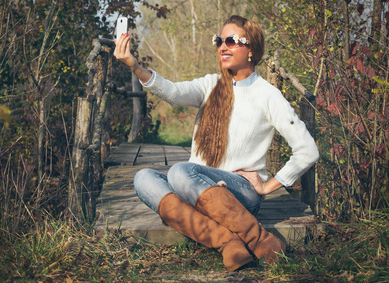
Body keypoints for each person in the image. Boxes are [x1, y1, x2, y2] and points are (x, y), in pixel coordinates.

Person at [114, 15, 319, 271]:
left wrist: (268, 187)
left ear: (251, 50)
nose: (223, 46)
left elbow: (307, 151)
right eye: (219, 40)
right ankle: (228, 243)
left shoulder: (268, 95)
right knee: (143, 178)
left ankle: (260, 240)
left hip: (240, 193)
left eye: (232, 40)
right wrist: (134, 65)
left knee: (180, 171)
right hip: (192, 185)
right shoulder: (210, 84)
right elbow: (173, 93)